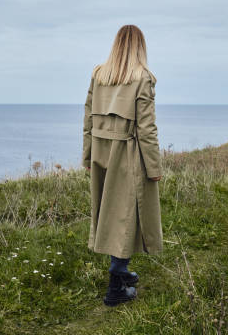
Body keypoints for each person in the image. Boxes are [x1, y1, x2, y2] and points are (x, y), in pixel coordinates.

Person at [82, 24, 163, 307]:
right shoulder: (143, 78)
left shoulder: (98, 74)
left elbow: (88, 118)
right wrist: (154, 167)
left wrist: (87, 155)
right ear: (140, 47)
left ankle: (122, 270)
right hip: (128, 152)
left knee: (110, 212)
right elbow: (147, 128)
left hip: (102, 151)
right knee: (126, 215)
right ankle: (116, 285)